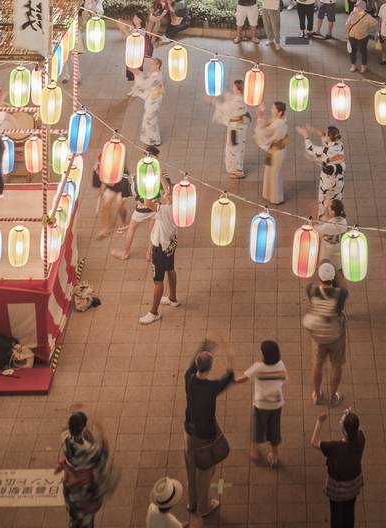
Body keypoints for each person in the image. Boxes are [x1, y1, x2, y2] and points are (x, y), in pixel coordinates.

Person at [182, 342, 234, 521]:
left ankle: (192, 501)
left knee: (190, 467)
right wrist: (229, 355)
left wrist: (204, 347)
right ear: (210, 369)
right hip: (204, 438)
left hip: (188, 432)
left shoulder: (188, 378)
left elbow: (191, 365)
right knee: (204, 472)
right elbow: (229, 376)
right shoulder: (212, 388)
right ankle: (204, 507)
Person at [56, 411, 113, 528]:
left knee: (74, 518)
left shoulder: (65, 439)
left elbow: (64, 428)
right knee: (85, 521)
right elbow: (103, 455)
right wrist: (103, 441)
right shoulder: (88, 450)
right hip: (83, 492)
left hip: (70, 488)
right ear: (83, 429)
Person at [237, 338, 287, 468]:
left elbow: (243, 379)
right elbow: (284, 378)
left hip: (261, 405)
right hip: (276, 404)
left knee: (258, 426)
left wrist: (231, 379)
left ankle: (255, 451)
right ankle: (274, 455)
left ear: (264, 354)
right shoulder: (281, 365)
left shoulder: (258, 367)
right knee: (274, 428)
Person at [304, 265, 348, 406]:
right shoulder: (340, 294)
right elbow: (344, 287)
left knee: (317, 365)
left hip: (318, 337)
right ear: (333, 277)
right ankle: (333, 396)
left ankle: (317, 395)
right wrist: (338, 274)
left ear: (319, 277)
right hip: (335, 336)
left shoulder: (311, 289)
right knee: (336, 366)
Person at [313, 408, 365, 527]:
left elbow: (314, 442)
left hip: (337, 489)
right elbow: (358, 429)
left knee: (336, 514)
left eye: (341, 421)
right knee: (349, 510)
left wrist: (319, 421)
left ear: (345, 432)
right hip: (353, 485)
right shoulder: (361, 439)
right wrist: (349, 416)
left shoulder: (335, 447)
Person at [140, 178, 179, 324]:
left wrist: (146, 188)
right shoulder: (178, 208)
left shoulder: (166, 210)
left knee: (158, 281)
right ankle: (173, 298)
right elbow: (167, 188)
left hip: (160, 249)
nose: (166, 192)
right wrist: (160, 176)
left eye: (169, 192)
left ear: (172, 197)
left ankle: (154, 312)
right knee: (170, 269)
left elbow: (147, 203)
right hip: (171, 243)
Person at [215, 80, 251, 180]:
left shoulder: (237, 101)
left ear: (238, 89)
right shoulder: (242, 98)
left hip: (236, 128)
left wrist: (215, 102)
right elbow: (231, 99)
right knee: (239, 147)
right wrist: (226, 93)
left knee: (234, 149)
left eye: (234, 87)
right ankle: (237, 168)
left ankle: (237, 170)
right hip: (241, 126)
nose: (233, 88)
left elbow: (226, 108)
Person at [255, 100, 289, 205]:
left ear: (279, 112)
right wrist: (261, 116)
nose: (271, 110)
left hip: (277, 151)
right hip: (274, 149)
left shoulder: (279, 123)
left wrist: (260, 117)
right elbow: (268, 123)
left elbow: (266, 132)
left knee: (275, 174)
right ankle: (269, 194)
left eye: (273, 109)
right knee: (269, 171)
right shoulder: (279, 120)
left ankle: (276, 198)